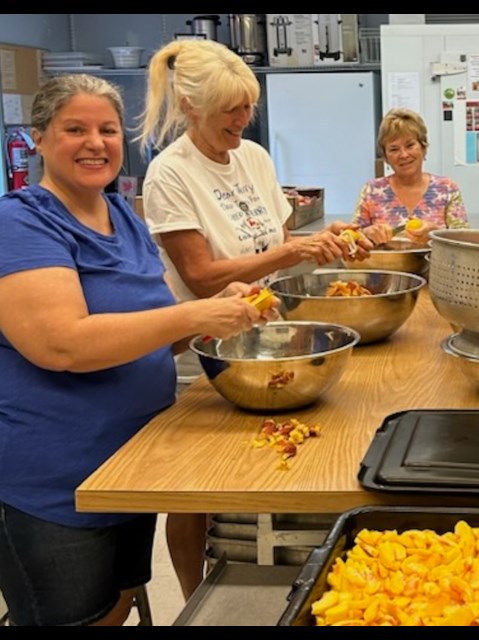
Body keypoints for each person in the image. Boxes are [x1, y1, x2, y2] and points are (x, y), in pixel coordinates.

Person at [0, 74, 273, 626]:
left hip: (133, 463)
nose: (95, 143)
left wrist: (215, 311)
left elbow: (149, 332)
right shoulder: (19, 223)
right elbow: (62, 345)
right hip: (58, 479)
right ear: (39, 139)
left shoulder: (121, 213)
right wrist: (193, 312)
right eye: (74, 129)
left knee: (118, 605)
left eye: (106, 129)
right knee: (76, 617)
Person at [135, 39, 373, 602]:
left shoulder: (255, 158)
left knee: (268, 464)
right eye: (229, 110)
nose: (242, 121)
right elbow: (201, 277)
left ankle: (268, 582)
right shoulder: (171, 175)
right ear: (191, 106)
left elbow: (281, 242)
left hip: (266, 334)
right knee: (196, 489)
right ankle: (196, 601)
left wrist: (323, 246)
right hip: (206, 346)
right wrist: (287, 256)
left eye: (248, 108)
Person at [352, 107, 468, 245]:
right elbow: (351, 239)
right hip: (383, 266)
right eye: (394, 149)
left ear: (423, 148)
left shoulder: (446, 189)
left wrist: (435, 234)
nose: (404, 155)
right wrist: (367, 233)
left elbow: (464, 243)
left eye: (410, 145)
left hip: (437, 265)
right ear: (386, 157)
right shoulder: (371, 191)